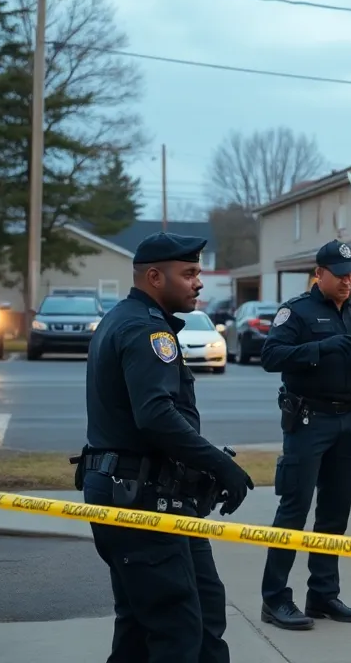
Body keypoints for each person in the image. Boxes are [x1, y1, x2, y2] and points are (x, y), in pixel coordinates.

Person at [80, 231, 254, 662]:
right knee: (175, 629)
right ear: (154, 277)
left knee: (194, 614)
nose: (199, 283)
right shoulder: (145, 329)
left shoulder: (128, 319)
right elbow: (155, 415)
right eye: (189, 273)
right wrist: (220, 464)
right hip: (140, 500)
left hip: (151, 495)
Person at [258, 240, 351, 631]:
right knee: (293, 510)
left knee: (335, 514)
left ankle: (322, 594)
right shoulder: (297, 312)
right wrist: (319, 348)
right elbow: (271, 356)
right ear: (319, 274)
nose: (348, 281)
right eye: (340, 274)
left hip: (350, 421)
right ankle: (275, 600)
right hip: (308, 420)